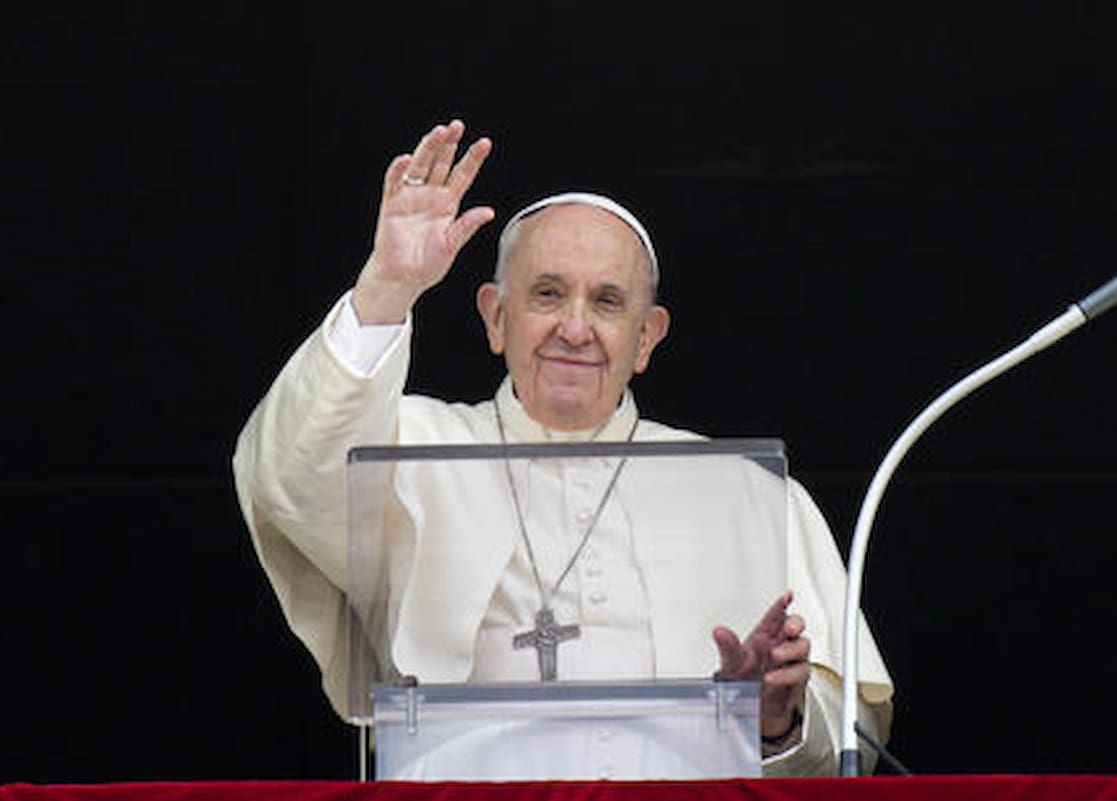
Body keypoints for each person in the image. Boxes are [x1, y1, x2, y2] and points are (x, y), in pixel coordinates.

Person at [233, 119, 893, 777]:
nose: (574, 328)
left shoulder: (749, 491)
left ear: (645, 338)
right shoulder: (410, 448)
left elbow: (847, 743)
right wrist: (386, 288)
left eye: (607, 301)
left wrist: (777, 718)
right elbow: (288, 476)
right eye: (547, 293)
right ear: (496, 316)